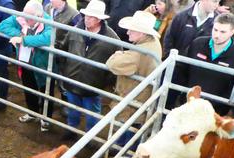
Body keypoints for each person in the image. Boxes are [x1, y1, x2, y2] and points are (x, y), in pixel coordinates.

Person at [59, 0, 120, 139]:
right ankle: (71, 128)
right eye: (86, 15)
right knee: (73, 108)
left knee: (92, 113)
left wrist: (103, 81)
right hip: (72, 79)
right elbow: (63, 50)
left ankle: (90, 137)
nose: (87, 19)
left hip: (93, 84)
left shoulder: (112, 38)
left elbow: (116, 62)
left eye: (92, 17)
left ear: (99, 19)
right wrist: (66, 71)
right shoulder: (74, 31)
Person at [106, 10, 162, 146]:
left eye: (132, 30)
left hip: (133, 99)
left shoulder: (139, 52)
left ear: (142, 33)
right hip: (141, 97)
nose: (127, 33)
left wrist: (118, 53)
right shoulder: (153, 43)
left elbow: (111, 64)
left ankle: (123, 155)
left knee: (128, 133)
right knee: (131, 131)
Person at [0, 0, 54, 132]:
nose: (25, 19)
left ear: (39, 16)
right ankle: (32, 112)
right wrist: (20, 34)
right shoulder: (22, 16)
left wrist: (23, 40)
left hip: (43, 64)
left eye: (29, 17)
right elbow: (2, 26)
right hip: (25, 60)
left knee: (46, 92)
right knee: (29, 87)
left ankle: (46, 119)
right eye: (25, 15)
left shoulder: (48, 22)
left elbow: (48, 38)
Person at [180, 12, 234, 115]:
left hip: (214, 112)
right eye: (215, 30)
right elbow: (183, 70)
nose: (217, 35)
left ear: (232, 32)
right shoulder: (197, 44)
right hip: (187, 103)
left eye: (223, 32)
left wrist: (223, 109)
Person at [44, 0, 81, 116]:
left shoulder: (74, 14)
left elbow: (78, 34)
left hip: (62, 50)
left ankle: (65, 104)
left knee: (62, 78)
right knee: (46, 74)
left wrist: (66, 47)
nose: (50, 0)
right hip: (47, 47)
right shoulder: (47, 7)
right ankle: (46, 98)